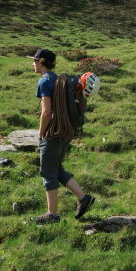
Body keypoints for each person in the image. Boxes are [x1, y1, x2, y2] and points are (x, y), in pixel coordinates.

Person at [27, 48, 95, 224]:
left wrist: (41, 134)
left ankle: (52, 215)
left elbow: (46, 113)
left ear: (42, 61)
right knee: (55, 168)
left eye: (34, 60)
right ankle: (83, 198)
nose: (32, 63)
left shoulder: (44, 82)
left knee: (47, 171)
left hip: (53, 132)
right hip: (66, 131)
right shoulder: (59, 79)